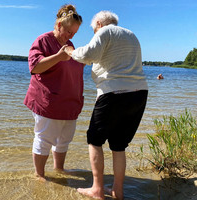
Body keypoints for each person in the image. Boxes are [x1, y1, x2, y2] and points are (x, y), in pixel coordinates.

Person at [65, 11, 148, 199]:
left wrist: (70, 52)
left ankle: (97, 189)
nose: (94, 33)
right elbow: (115, 65)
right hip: (139, 94)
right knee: (119, 144)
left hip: (115, 93)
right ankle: (118, 191)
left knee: (94, 140)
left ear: (99, 23)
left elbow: (88, 54)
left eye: (94, 30)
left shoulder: (105, 32)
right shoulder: (131, 35)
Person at [24, 4, 84, 180]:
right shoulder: (43, 40)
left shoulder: (70, 44)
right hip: (48, 102)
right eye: (68, 31)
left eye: (74, 33)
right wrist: (58, 56)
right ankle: (39, 175)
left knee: (64, 140)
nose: (71, 36)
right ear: (59, 25)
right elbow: (35, 67)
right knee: (44, 139)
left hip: (69, 103)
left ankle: (59, 169)